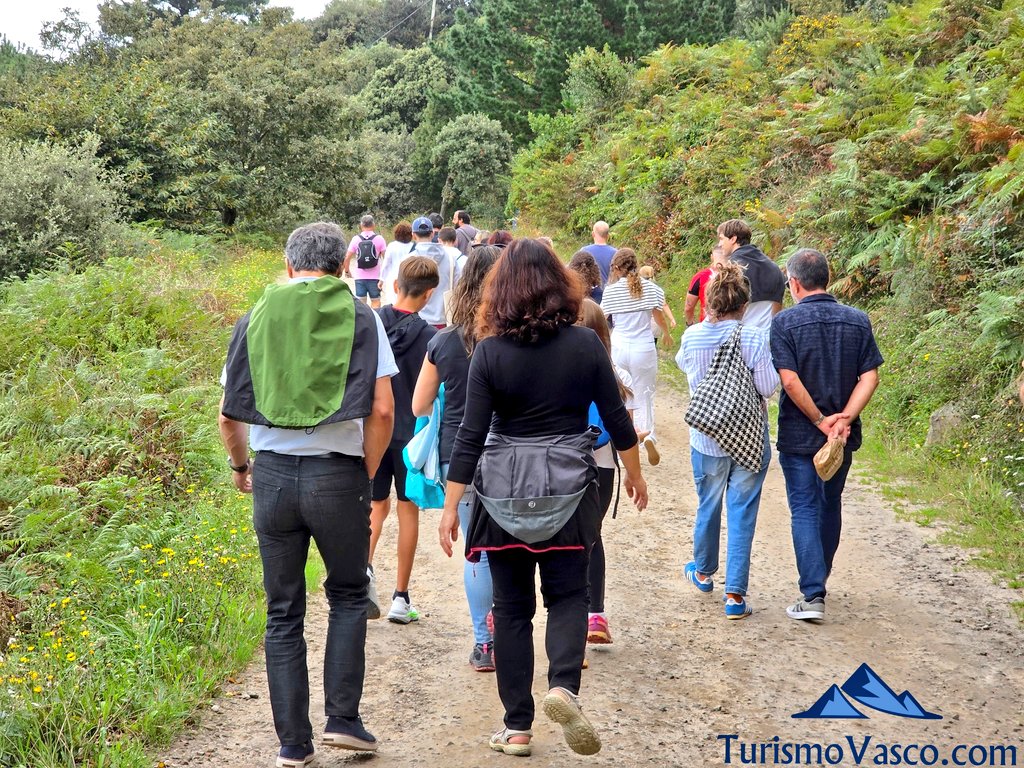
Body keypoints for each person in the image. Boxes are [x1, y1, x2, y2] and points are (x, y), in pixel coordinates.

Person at [438, 238, 648, 758]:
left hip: (504, 495)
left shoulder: (488, 352)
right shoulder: (584, 346)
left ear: (501, 291)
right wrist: (636, 475)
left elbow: (470, 435)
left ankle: (517, 729)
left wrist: (450, 506)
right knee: (570, 595)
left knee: (510, 610)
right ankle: (562, 688)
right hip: (570, 490)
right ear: (562, 287)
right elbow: (618, 420)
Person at [218, 222, 397, 766]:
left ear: (288, 263)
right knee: (346, 594)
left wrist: (241, 466)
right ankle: (344, 720)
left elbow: (229, 415)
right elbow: (383, 410)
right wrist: (362, 476)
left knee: (282, 612)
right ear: (345, 263)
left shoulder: (255, 317)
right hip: (337, 473)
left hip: (271, 476)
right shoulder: (362, 316)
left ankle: (293, 745)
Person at [771, 248, 883, 622]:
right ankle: (819, 579)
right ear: (827, 279)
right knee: (829, 503)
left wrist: (821, 420)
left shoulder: (784, 323)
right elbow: (870, 376)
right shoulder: (858, 320)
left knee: (803, 507)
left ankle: (812, 593)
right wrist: (844, 419)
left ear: (795, 283)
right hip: (842, 436)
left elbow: (789, 379)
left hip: (801, 434)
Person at [412, 246, 503, 672]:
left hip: (457, 460)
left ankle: (484, 644)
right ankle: (508, 628)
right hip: (507, 456)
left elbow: (418, 406)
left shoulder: (444, 341)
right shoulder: (511, 337)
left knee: (477, 552)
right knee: (508, 550)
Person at [676, 262, 779, 619]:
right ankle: (735, 596)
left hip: (706, 438)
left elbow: (684, 369)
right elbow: (768, 387)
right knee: (742, 511)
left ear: (710, 302)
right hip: (748, 438)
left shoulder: (692, 337)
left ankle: (703, 573)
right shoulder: (754, 337)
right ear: (745, 304)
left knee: (708, 504)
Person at [368, 257, 440, 625]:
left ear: (395, 285)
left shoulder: (372, 325)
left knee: (374, 508)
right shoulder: (432, 338)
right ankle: (400, 597)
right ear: (429, 295)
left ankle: (362, 578)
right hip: (412, 437)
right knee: (407, 509)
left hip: (373, 431)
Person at [577, 299, 637, 646]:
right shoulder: (618, 375)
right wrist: (633, 474)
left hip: (565, 463)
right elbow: (626, 430)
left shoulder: (561, 367)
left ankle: (570, 620)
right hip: (603, 466)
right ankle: (595, 615)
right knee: (593, 537)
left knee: (568, 541)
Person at [600, 247, 671, 466]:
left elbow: (602, 318)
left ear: (617, 268)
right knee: (645, 394)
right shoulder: (652, 289)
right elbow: (658, 317)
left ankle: (625, 445)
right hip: (644, 347)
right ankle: (648, 436)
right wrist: (667, 333)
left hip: (620, 346)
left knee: (623, 396)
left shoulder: (611, 292)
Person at [716, 219, 786, 330]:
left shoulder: (732, 269)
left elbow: (721, 309)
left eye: (721, 239)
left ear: (733, 239)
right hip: (768, 338)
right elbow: (778, 307)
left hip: (740, 338)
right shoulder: (774, 267)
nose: (719, 244)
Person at [409, 216, 460, 328]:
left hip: (417, 321)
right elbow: (458, 287)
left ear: (413, 235)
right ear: (432, 234)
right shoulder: (451, 257)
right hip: (445, 319)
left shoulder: (408, 260)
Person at [343, 215, 387, 309]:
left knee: (361, 304)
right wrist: (383, 276)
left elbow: (347, 257)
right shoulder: (379, 239)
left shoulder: (356, 239)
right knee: (376, 302)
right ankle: (375, 321)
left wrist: (347, 271)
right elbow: (386, 259)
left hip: (359, 278)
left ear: (361, 225)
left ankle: (363, 322)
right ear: (373, 225)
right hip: (375, 278)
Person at [684, 245, 727, 325]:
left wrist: (690, 324)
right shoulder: (735, 275)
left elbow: (688, 307)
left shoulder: (700, 277)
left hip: (708, 325)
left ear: (711, 257)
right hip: (732, 325)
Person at [379, 221, 413, 306]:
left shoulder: (392, 246)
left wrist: (381, 279)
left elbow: (386, 264)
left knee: (393, 302)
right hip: (409, 278)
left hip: (393, 278)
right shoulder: (413, 246)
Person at [639, 264, 677, 338]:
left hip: (641, 324)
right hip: (655, 324)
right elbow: (664, 305)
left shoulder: (636, 289)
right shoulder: (657, 289)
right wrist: (672, 319)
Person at [583, 221, 617, 285]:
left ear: (593, 234)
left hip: (591, 293)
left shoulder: (584, 251)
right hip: (610, 293)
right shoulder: (616, 253)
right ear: (608, 236)